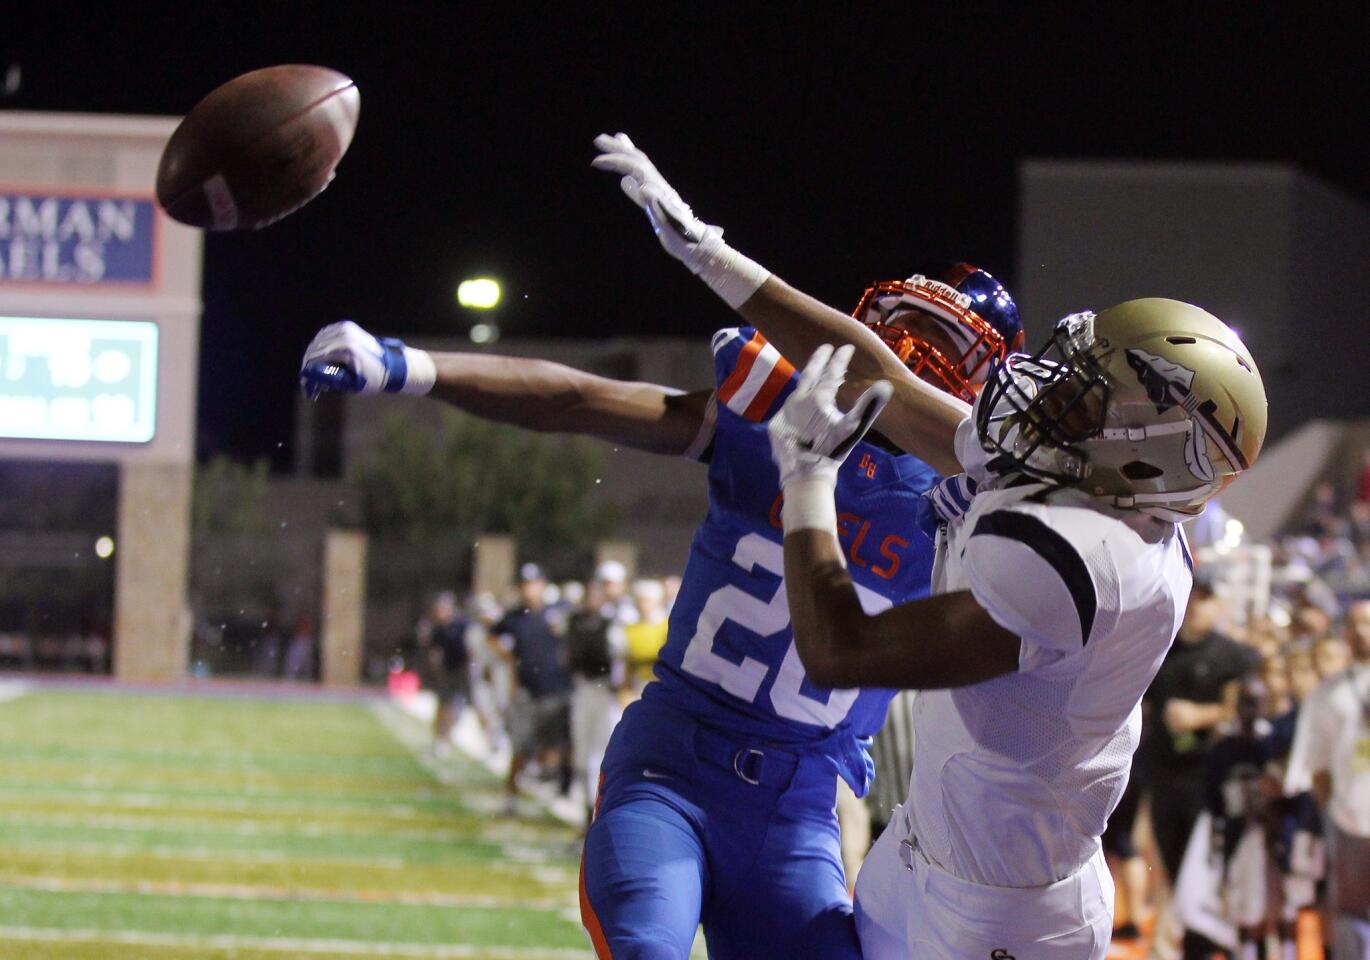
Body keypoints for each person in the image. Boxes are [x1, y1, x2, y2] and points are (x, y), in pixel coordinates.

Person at [299, 165, 1024, 958]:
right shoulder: (772, 412)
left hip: (797, 811)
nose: (900, 352)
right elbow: (577, 399)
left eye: (941, 342)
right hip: (669, 776)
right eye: (893, 326)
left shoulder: (975, 514)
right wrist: (408, 366)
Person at [588, 132, 1267, 959]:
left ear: (1145, 447)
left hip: (1006, 914)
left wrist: (808, 480)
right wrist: (710, 254)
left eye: (1090, 396)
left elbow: (842, 647)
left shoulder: (1091, 560)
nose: (1054, 393)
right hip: (920, 852)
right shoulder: (1089, 476)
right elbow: (889, 384)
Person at [1285, 599, 1370, 959]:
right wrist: (1334, 812)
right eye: (1357, 624)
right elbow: (1315, 766)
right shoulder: (1327, 694)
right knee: (1349, 913)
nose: (1363, 632)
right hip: (1348, 819)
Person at [491, 564, 573, 814]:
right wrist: (506, 656)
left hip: (556, 687)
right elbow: (492, 634)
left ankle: (549, 783)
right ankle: (510, 797)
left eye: (534, 583)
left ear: (543, 584)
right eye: (525, 584)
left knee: (556, 744)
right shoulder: (515, 616)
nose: (529, 589)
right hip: (527, 688)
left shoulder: (559, 612)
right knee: (520, 747)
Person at [416, 590, 472, 759]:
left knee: (460, 707)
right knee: (444, 705)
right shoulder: (439, 628)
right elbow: (434, 651)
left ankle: (446, 736)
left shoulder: (462, 625)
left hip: (463, 671)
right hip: (448, 672)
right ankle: (441, 739)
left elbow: (471, 649)